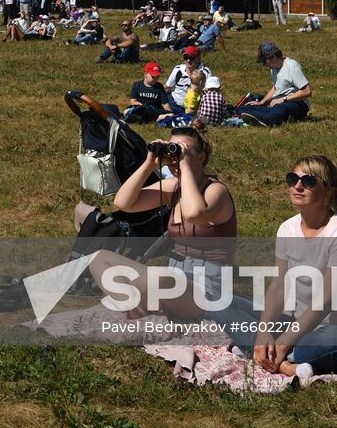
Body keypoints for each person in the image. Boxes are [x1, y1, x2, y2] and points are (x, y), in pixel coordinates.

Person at [83, 122, 238, 315]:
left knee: (161, 280)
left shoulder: (216, 191)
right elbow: (123, 202)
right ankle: (135, 309)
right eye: (171, 150)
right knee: (99, 258)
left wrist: (185, 165)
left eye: (181, 151)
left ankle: (139, 308)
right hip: (176, 280)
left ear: (201, 157)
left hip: (207, 288)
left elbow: (193, 213)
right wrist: (149, 164)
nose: (174, 157)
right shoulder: (174, 188)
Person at [250, 155, 337, 380]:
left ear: (329, 192)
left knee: (325, 343)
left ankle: (276, 357)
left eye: (308, 181)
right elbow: (278, 287)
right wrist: (263, 332)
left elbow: (325, 302)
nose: (297, 186)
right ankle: (286, 363)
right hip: (301, 328)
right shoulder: (287, 229)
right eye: (292, 179)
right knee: (229, 308)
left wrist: (285, 341)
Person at [238, 41, 312, 126]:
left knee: (280, 108)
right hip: (277, 104)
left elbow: (307, 91)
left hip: (297, 103)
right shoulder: (274, 68)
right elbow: (275, 88)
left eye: (264, 61)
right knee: (243, 107)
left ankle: (267, 119)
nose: (264, 65)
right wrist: (262, 102)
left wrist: (282, 99)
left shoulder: (291, 65)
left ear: (273, 57)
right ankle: (265, 118)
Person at [161, 47, 213, 117]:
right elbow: (168, 87)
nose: (188, 60)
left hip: (194, 108)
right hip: (174, 102)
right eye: (186, 57)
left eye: (191, 58)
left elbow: (210, 93)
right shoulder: (178, 69)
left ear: (198, 58)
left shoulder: (205, 72)